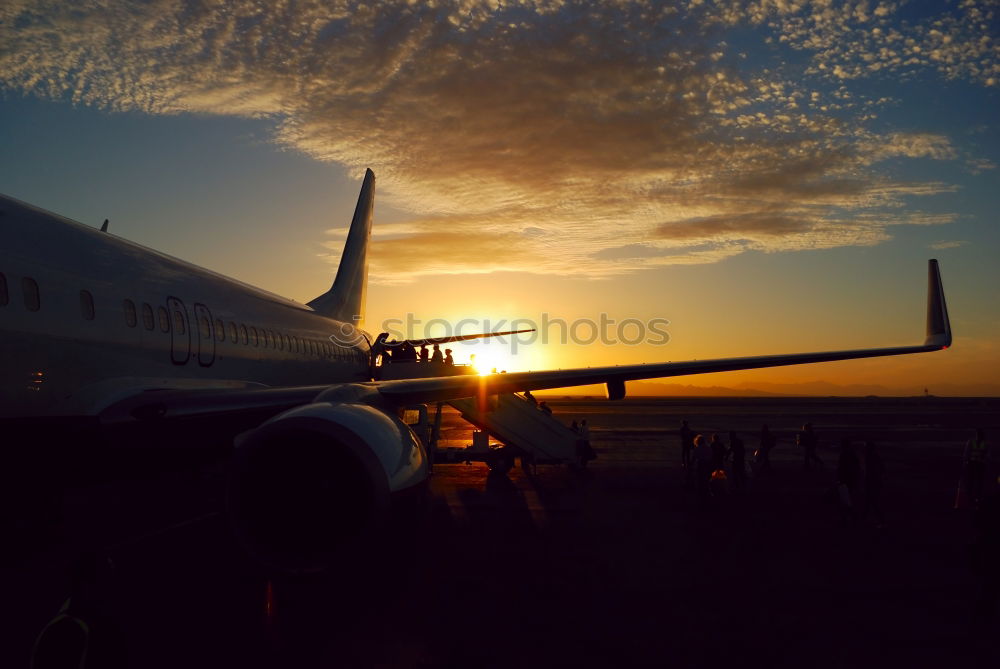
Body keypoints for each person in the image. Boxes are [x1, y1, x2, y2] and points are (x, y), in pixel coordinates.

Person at [836, 439, 861, 526]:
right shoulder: (852, 454)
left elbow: (841, 468)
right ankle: (849, 516)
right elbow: (857, 466)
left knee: (844, 498)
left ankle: (848, 517)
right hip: (851, 478)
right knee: (848, 497)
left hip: (846, 479)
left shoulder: (844, 455)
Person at [862, 441, 886, 528]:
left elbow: (873, 471)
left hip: (872, 482)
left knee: (871, 502)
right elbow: (882, 469)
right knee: (870, 502)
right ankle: (864, 518)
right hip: (874, 482)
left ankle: (880, 520)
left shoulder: (870, 457)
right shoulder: (874, 456)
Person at [964, 429, 989, 507]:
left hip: (980, 464)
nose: (978, 437)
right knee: (971, 480)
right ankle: (970, 496)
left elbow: (988, 454)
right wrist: (966, 460)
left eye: (980, 435)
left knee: (979, 481)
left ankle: (978, 497)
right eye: (978, 435)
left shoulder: (985, 444)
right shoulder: (971, 442)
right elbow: (967, 452)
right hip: (972, 463)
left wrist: (984, 458)